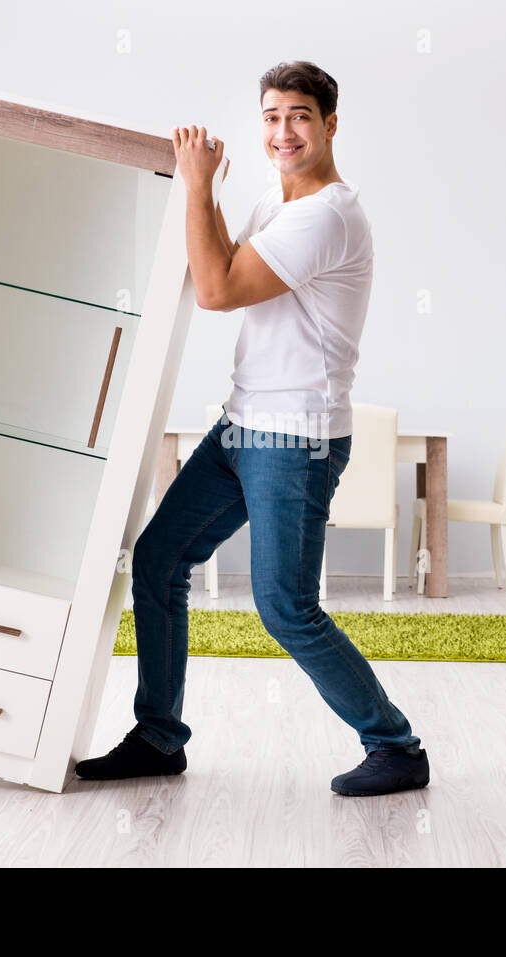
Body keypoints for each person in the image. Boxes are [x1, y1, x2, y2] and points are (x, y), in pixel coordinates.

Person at [75, 60, 427, 796]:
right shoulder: (278, 203)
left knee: (284, 608)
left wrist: (198, 184)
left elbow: (216, 288)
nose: (282, 130)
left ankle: (396, 746)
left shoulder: (325, 214)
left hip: (294, 439)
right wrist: (202, 191)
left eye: (299, 115)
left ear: (331, 124)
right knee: (158, 558)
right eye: (271, 116)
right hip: (243, 426)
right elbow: (223, 260)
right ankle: (159, 736)